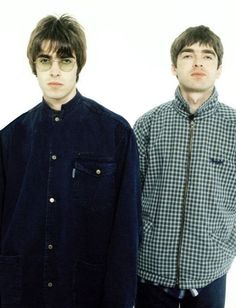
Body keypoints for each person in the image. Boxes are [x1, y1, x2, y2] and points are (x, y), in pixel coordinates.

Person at [0, 14, 141, 308]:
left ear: (78, 66)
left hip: (86, 292)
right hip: (23, 292)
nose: (55, 71)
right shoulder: (10, 139)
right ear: (34, 67)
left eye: (65, 61)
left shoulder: (115, 134)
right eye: (44, 60)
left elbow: (127, 230)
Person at [134, 25, 235, 308]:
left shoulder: (234, 128)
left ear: (219, 69)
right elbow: (129, 198)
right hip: (150, 272)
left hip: (210, 273)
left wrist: (225, 246)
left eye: (208, 56)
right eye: (188, 55)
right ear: (174, 68)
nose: (198, 62)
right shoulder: (148, 125)